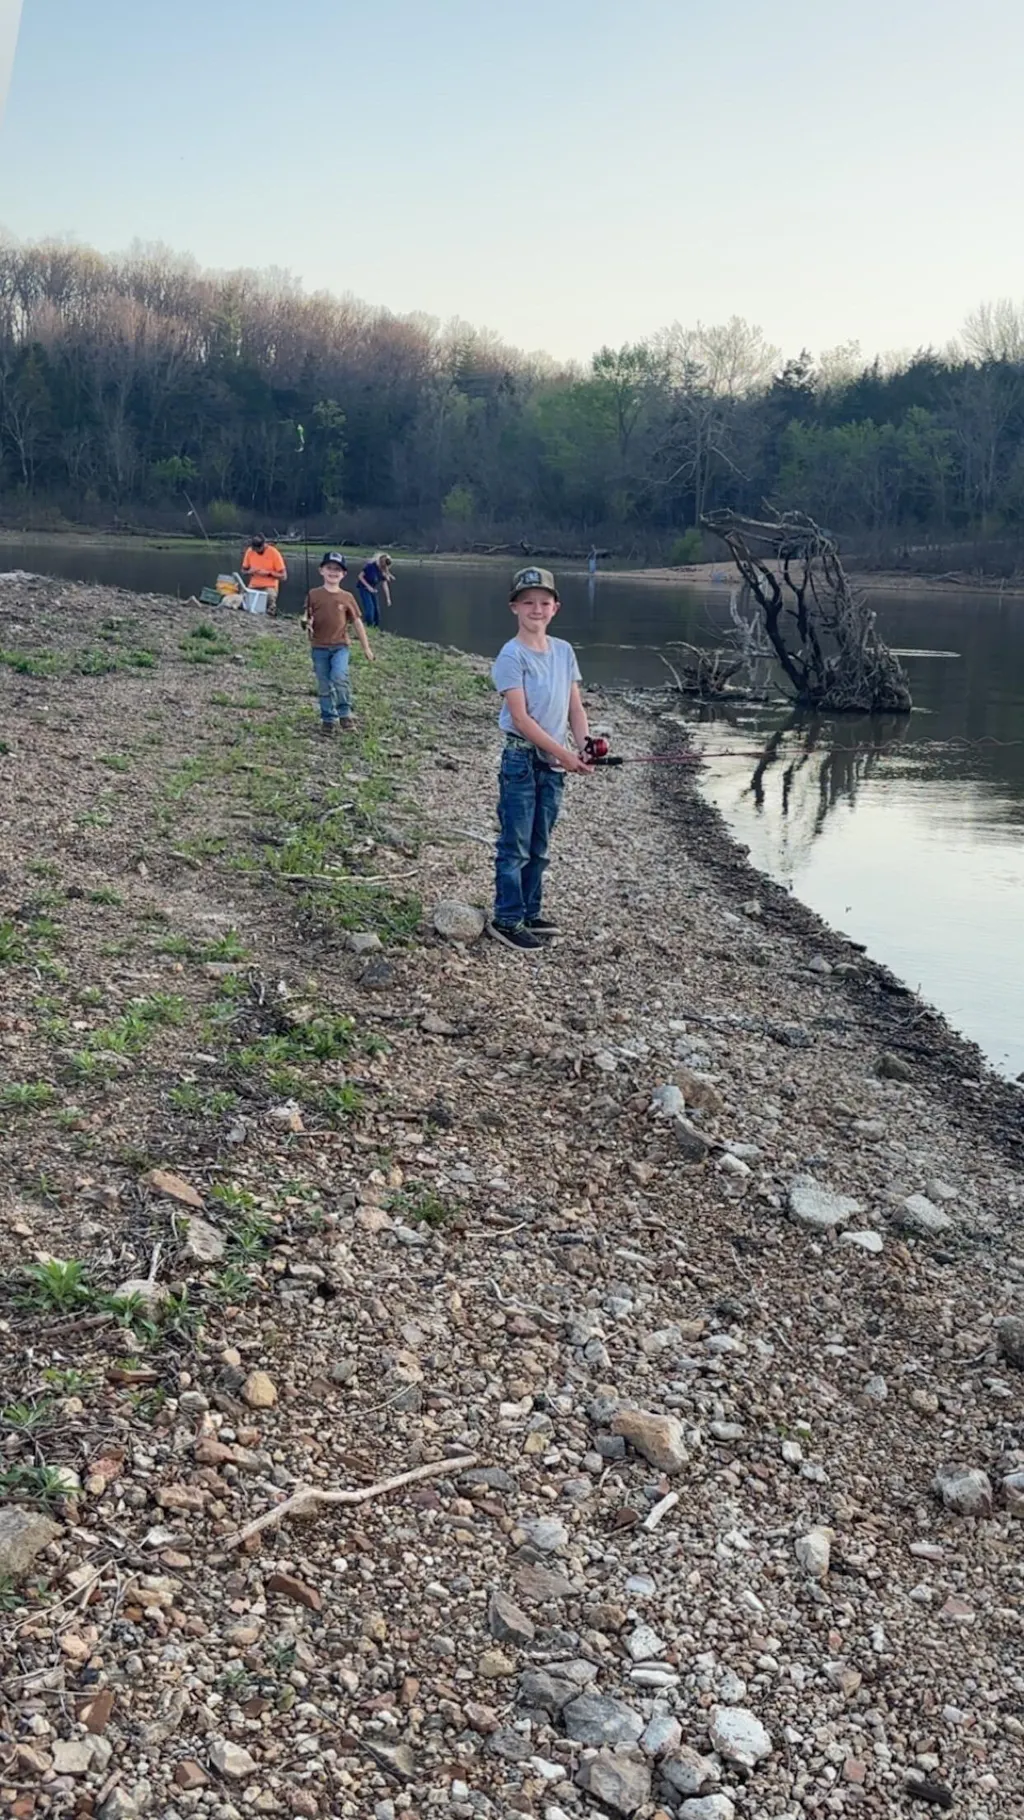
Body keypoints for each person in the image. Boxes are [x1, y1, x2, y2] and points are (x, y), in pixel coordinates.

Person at [489, 565, 592, 951]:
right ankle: (507, 918)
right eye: (528, 602)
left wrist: (583, 744)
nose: (536, 609)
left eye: (544, 602)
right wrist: (563, 752)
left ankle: (530, 911)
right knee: (514, 843)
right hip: (520, 760)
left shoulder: (564, 652)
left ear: (556, 608)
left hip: (552, 763)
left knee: (540, 843)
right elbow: (520, 717)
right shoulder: (510, 655)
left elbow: (575, 708)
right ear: (514, 607)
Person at [303, 551, 374, 735]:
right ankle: (328, 719)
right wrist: (306, 623)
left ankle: (345, 714)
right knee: (324, 685)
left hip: (340, 646)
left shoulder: (347, 597)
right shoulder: (313, 594)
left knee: (340, 678)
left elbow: (357, 622)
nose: (333, 572)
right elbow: (306, 618)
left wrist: (366, 647)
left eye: (337, 569)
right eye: (329, 568)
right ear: (321, 570)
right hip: (319, 647)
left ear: (343, 574)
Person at [241, 534, 287, 614]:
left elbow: (284, 576)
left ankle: (271, 610)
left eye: (258, 549)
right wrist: (249, 572)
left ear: (264, 545)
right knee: (243, 599)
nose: (257, 551)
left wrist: (269, 573)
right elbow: (243, 571)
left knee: (269, 597)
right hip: (253, 585)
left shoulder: (273, 553)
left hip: (269, 586)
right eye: (255, 549)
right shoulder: (250, 551)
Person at [356, 551, 393, 627]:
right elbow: (360, 576)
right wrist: (368, 587)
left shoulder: (383, 570)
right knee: (370, 609)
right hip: (363, 588)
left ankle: (375, 628)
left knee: (377, 612)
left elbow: (384, 584)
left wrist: (388, 598)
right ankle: (367, 626)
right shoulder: (370, 567)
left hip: (373, 590)